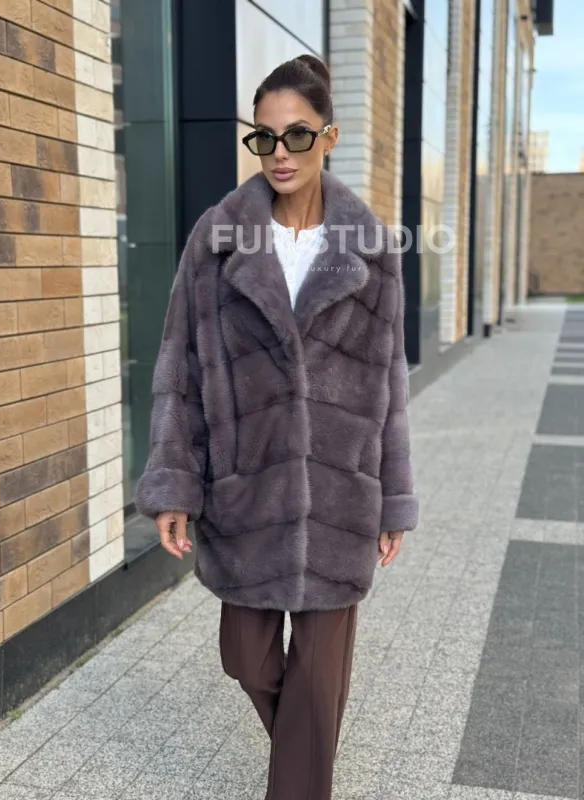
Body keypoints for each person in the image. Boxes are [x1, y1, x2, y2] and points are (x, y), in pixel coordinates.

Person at [135, 53, 419, 800]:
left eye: (297, 135)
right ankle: (308, 751)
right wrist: (174, 483)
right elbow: (179, 366)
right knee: (246, 656)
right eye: (264, 137)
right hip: (246, 491)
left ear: (329, 137)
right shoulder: (217, 238)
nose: (280, 153)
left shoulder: (373, 249)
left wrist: (394, 496)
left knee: (318, 682)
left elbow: (390, 383)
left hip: (340, 497)